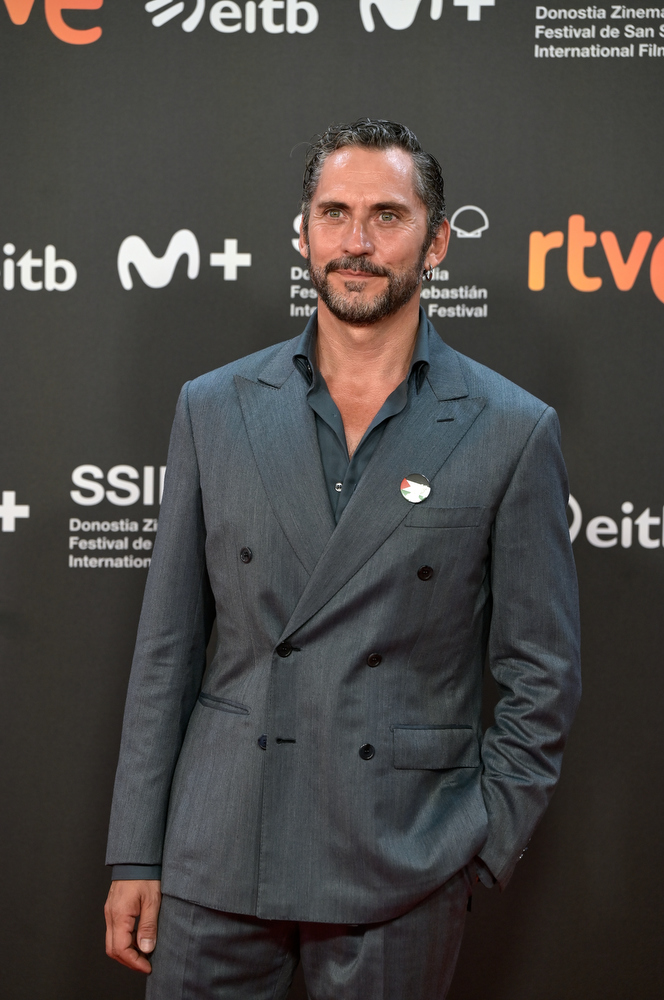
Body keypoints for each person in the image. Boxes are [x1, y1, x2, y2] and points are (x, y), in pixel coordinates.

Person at [104, 118, 581, 1000]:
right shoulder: (214, 407)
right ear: (304, 232)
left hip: (400, 858)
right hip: (218, 849)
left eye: (387, 216)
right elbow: (166, 649)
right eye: (335, 213)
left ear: (436, 241)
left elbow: (541, 670)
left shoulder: (512, 429)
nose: (356, 241)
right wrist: (137, 849)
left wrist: (479, 840)